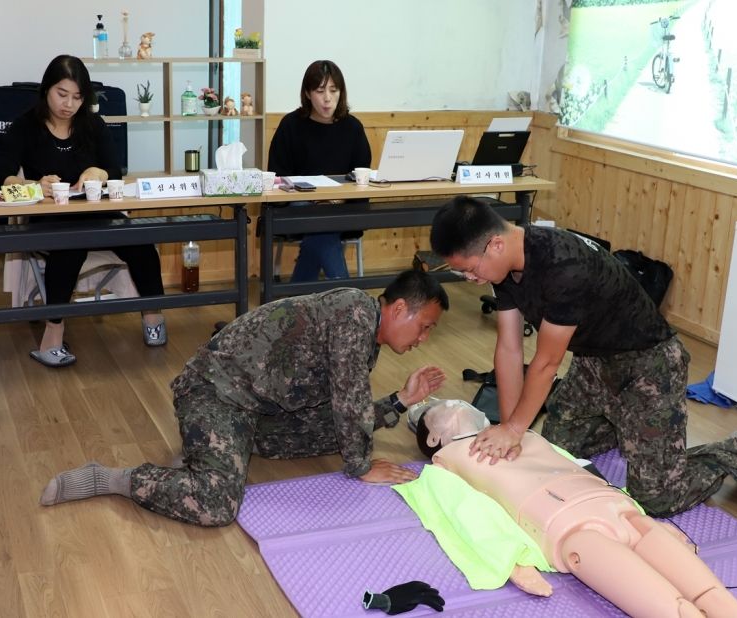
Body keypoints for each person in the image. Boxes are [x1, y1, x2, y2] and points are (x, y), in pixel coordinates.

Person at [39, 270, 449, 526]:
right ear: (398, 309)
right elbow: (349, 405)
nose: (424, 339)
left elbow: (344, 411)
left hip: (258, 409)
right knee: (216, 504)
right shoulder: (356, 315)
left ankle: (213, 456)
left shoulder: (364, 330)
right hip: (215, 395)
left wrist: (399, 401)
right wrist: (360, 468)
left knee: (341, 434)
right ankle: (112, 478)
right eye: (425, 327)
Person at [429, 196, 721, 517]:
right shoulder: (505, 267)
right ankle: (624, 426)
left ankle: (729, 455)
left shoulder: (563, 266)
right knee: (556, 454)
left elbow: (547, 363)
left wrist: (512, 431)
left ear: (495, 244)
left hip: (649, 365)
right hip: (592, 361)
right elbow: (509, 350)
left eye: (469, 270)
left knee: (656, 499)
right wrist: (513, 429)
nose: (472, 279)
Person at [400, 400, 737, 618]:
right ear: (433, 438)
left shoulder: (518, 433)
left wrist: (646, 516)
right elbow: (463, 515)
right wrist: (510, 561)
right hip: (570, 528)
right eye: (445, 406)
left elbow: (577, 464)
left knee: (716, 598)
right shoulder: (444, 463)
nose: (455, 402)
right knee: (678, 610)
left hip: (616, 507)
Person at [0, 55, 167, 368]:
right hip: (50, 215)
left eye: (77, 97)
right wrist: (34, 186)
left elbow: (114, 170)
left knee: (141, 241)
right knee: (70, 247)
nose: (68, 105)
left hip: (93, 210)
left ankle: (153, 316)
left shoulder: (92, 124)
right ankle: (52, 336)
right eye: (61, 94)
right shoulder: (26, 125)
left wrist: (99, 173)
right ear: (46, 91)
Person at [267, 60, 372, 282]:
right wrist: (314, 200)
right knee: (321, 224)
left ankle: (297, 303)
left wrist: (335, 201)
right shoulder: (291, 125)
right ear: (307, 93)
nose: (327, 98)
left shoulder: (352, 127)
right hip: (298, 206)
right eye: (320, 90)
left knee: (321, 225)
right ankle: (347, 300)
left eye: (334, 91)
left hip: (343, 207)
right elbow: (277, 177)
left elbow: (361, 177)